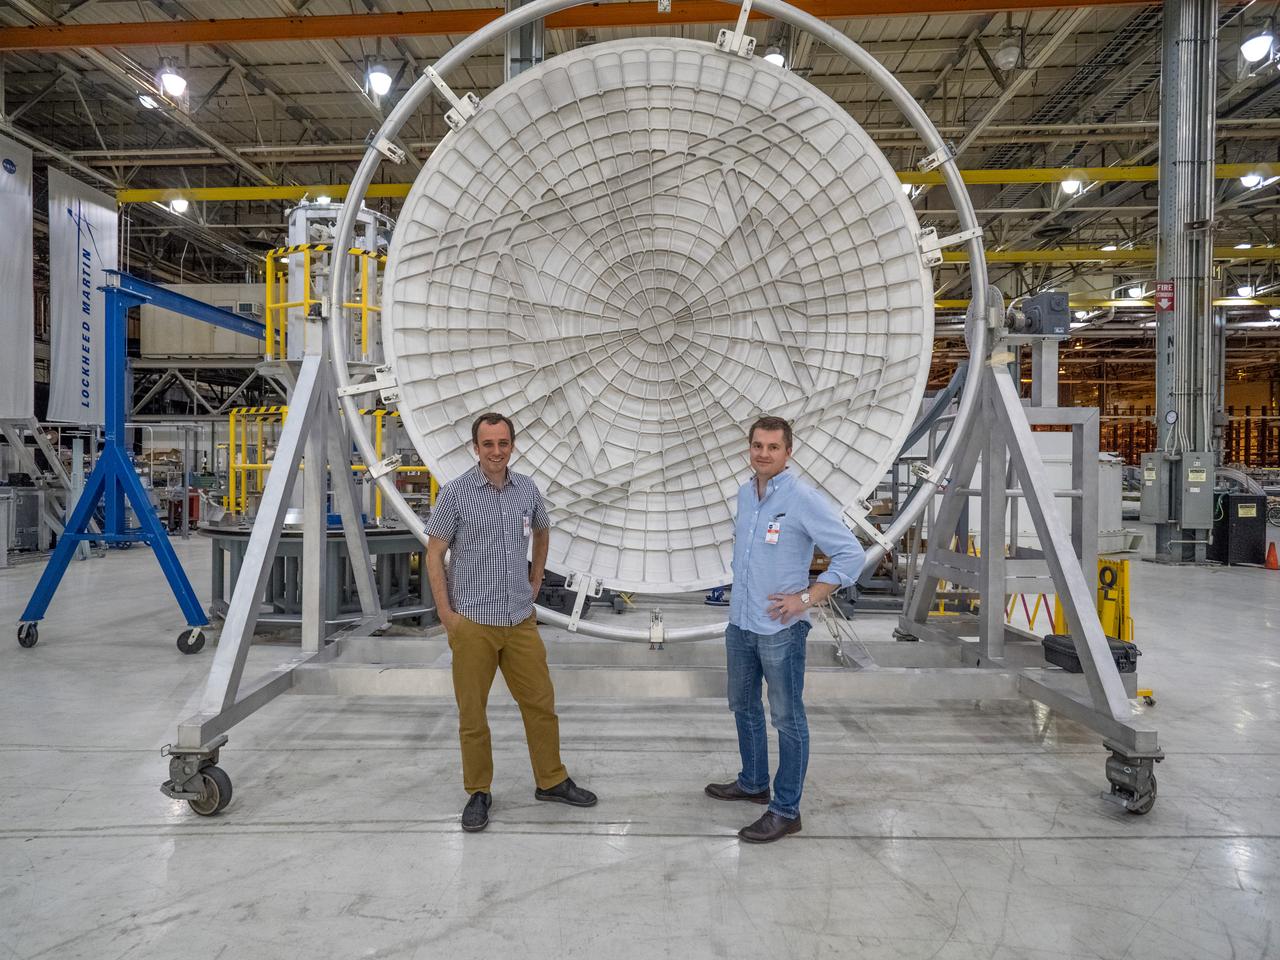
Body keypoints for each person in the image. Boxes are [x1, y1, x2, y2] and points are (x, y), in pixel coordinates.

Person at [426, 412, 597, 832]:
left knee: (541, 703)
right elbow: (433, 555)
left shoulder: (526, 489)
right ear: (476, 447)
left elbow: (542, 530)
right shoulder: (456, 494)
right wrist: (447, 616)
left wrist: (536, 575)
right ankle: (478, 791)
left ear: (512, 446)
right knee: (473, 713)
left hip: (520, 619)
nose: (496, 452)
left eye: (503, 444)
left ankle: (551, 780)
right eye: (488, 444)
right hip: (474, 622)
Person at [705, 415, 865, 843]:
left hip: (780, 628)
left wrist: (806, 599)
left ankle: (786, 809)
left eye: (773, 447)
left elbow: (851, 555)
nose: (763, 453)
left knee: (787, 718)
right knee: (743, 705)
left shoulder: (802, 498)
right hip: (741, 622)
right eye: (757, 445)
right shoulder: (744, 494)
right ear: (750, 448)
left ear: (788, 452)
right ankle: (754, 782)